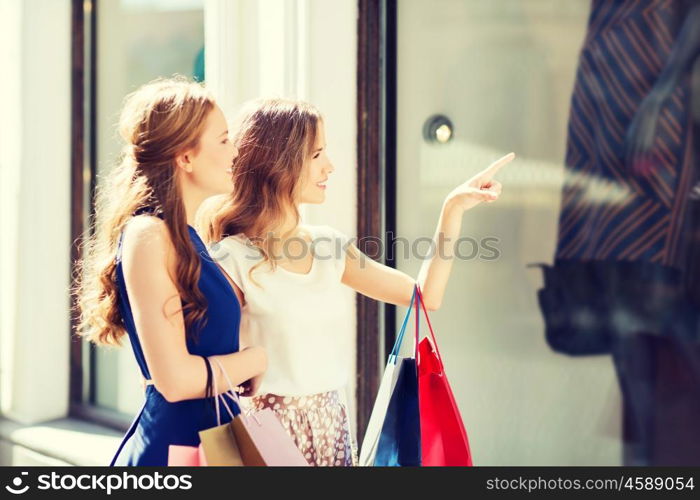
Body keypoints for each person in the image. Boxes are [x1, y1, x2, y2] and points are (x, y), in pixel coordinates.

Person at [198, 97, 513, 466]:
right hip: (264, 431)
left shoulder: (329, 247)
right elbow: (204, 362)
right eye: (316, 155)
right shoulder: (230, 258)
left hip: (333, 426)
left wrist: (452, 210)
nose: (330, 166)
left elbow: (424, 296)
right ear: (277, 161)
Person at [73, 77, 267, 466]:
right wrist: (256, 359)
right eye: (224, 139)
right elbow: (175, 381)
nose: (236, 152)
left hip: (213, 440)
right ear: (185, 156)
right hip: (175, 450)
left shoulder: (186, 237)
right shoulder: (149, 236)